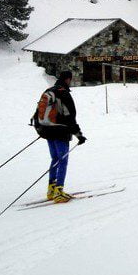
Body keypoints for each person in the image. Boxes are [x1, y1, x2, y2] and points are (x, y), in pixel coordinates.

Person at [35, 70, 87, 203]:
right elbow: (70, 118)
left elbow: (38, 113)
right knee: (62, 160)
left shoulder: (50, 90)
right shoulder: (64, 94)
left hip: (46, 130)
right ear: (68, 79)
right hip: (60, 132)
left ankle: (51, 189)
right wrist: (79, 135)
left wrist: (41, 129)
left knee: (55, 159)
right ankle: (59, 191)